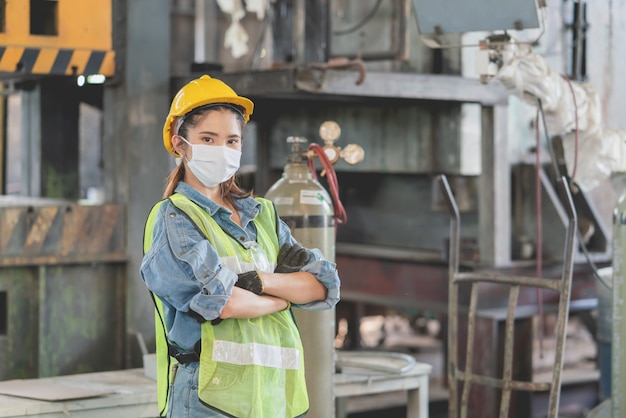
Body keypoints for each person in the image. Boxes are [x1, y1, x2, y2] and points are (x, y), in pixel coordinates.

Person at [140, 74, 340, 418]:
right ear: (180, 144)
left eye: (232, 140)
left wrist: (261, 284)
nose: (222, 150)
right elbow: (224, 302)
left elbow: (323, 286)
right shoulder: (175, 218)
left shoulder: (262, 215)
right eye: (208, 138)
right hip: (209, 398)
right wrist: (282, 301)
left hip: (269, 396)